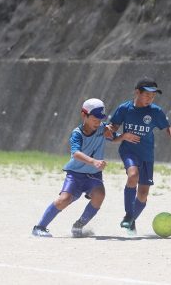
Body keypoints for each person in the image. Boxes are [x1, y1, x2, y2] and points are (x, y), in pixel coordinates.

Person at [108, 78, 171, 234]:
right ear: (137, 92)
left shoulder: (155, 111)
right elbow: (112, 129)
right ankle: (129, 215)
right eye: (147, 95)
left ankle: (131, 220)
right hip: (129, 151)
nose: (150, 98)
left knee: (143, 194)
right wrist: (118, 134)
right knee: (133, 175)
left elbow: (167, 127)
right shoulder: (124, 109)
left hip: (147, 155)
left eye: (153, 96)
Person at [32, 98, 114, 238]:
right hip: (75, 175)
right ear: (84, 115)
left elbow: (113, 136)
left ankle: (79, 225)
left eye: (100, 118)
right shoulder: (77, 133)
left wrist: (124, 136)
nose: (98, 121)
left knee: (99, 195)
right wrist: (93, 161)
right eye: (95, 117)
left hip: (93, 175)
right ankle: (39, 227)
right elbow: (75, 153)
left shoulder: (102, 129)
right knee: (64, 199)